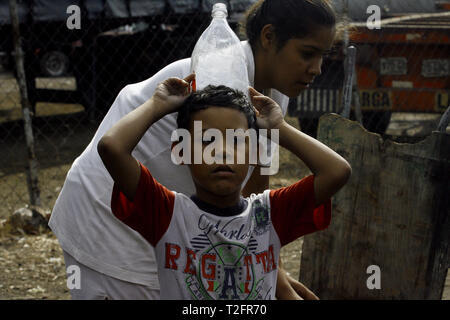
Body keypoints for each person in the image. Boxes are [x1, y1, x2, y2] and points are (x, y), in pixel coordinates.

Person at [49, 0, 340, 299]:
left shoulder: (270, 92)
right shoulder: (218, 78)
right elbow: (112, 149)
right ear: (269, 37)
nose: (317, 69)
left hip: (157, 218)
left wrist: (268, 267)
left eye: (322, 56)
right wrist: (269, 277)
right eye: (307, 53)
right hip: (109, 218)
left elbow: (253, 191)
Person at [97, 77, 351, 299]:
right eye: (207, 140)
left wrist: (279, 128)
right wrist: (157, 105)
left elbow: (337, 171)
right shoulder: (167, 212)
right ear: (181, 150)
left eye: (237, 141)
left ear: (255, 152)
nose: (223, 152)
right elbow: (111, 147)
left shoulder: (269, 214)